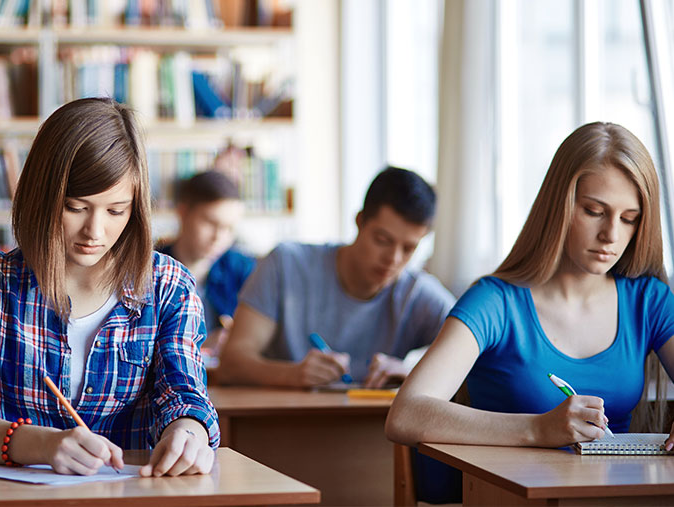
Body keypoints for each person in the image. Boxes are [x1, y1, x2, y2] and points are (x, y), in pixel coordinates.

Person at [0, 98, 220, 477]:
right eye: (76, 207)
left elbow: (184, 395)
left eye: (116, 210)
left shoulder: (167, 285)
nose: (95, 232)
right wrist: (42, 444)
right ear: (42, 199)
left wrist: (189, 433)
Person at [386, 122, 674, 452]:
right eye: (594, 211)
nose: (611, 234)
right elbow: (405, 415)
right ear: (558, 207)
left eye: (629, 219)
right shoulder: (495, 302)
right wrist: (537, 428)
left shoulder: (649, 301)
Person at [217, 166, 455, 388]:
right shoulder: (286, 264)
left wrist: (411, 370)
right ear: (360, 221)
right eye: (383, 240)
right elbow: (231, 363)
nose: (393, 259)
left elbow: (480, 355)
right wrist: (292, 374)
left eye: (409, 249)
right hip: (284, 424)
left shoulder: (419, 293)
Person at [156, 170, 255, 358]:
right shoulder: (151, 269)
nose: (219, 237)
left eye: (229, 228)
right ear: (183, 213)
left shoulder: (243, 269)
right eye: (210, 222)